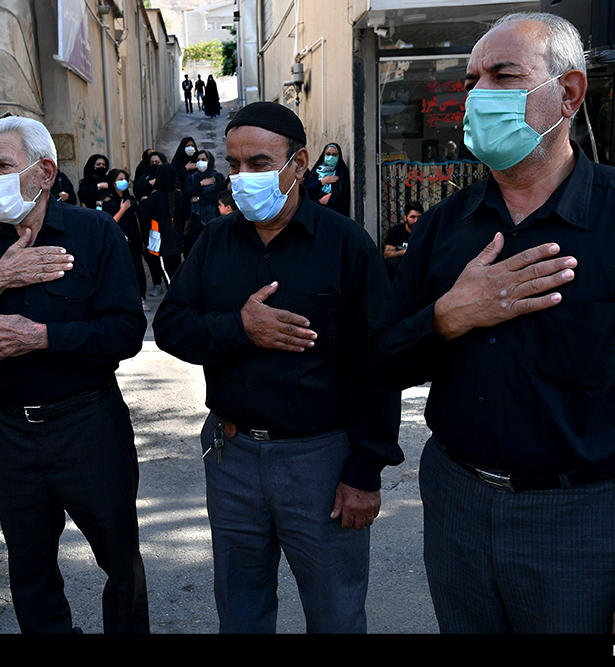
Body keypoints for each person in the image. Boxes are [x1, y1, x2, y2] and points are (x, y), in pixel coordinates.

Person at [371, 13, 615, 634]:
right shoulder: (446, 228)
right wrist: (448, 317)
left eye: (504, 75)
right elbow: (381, 358)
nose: (480, 94)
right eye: (474, 78)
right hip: (457, 506)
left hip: (586, 522)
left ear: (569, 93)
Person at [153, 101, 403, 634]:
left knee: (335, 611)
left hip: (320, 460)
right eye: (235, 165)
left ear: (300, 163)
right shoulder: (215, 241)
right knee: (240, 610)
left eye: (260, 164)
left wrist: (365, 472)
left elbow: (376, 367)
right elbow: (170, 327)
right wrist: (238, 329)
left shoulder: (346, 246)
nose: (243, 178)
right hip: (231, 455)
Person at [0, 116, 149, 634]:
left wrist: (44, 335)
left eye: (3, 165)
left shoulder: (95, 234)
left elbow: (125, 333)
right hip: (12, 434)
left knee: (120, 562)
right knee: (29, 571)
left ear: (44, 171)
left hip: (89, 426)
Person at [103, 168, 149, 311]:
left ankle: (141, 298)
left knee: (138, 270)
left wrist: (141, 238)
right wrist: (122, 210)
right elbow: (109, 222)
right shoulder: (108, 200)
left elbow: (137, 219)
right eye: (119, 179)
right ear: (113, 182)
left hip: (134, 240)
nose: (123, 182)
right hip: (118, 242)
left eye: (124, 179)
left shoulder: (131, 199)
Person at [138, 163, 185, 281]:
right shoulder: (179, 194)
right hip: (176, 236)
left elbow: (144, 214)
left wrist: (145, 202)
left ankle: (173, 294)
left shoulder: (155, 196)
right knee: (176, 267)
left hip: (161, 238)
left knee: (166, 270)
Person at [182, 149, 226, 256]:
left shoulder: (217, 177)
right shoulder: (191, 178)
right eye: (198, 160)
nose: (201, 162)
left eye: (204, 160)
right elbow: (186, 194)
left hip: (213, 218)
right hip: (194, 222)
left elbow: (217, 196)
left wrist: (198, 199)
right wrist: (201, 184)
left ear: (210, 161)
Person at [305, 143, 351, 217]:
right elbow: (308, 190)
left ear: (339, 156)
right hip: (317, 212)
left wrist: (331, 197)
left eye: (334, 155)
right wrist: (324, 181)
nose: (330, 157)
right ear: (324, 155)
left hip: (335, 214)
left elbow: (344, 195)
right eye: (328, 154)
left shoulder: (342, 172)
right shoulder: (318, 171)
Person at [383, 202, 422, 282]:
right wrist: (403, 253)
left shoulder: (425, 231)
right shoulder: (396, 231)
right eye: (412, 217)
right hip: (400, 264)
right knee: (391, 263)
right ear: (405, 217)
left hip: (418, 263)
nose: (416, 220)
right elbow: (387, 254)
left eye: (419, 217)